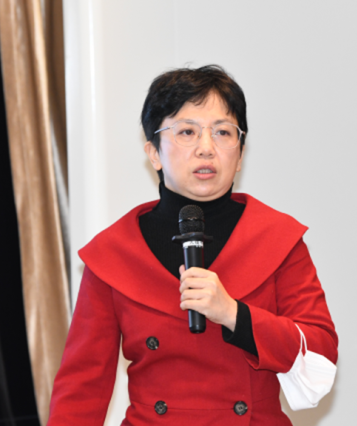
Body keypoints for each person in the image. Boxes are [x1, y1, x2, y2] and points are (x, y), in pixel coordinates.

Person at [47, 65, 338, 425]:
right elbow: (81, 389)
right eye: (187, 131)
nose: (206, 148)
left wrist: (234, 314)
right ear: (154, 152)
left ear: (240, 154)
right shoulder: (114, 253)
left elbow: (320, 355)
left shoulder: (277, 238)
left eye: (223, 132)